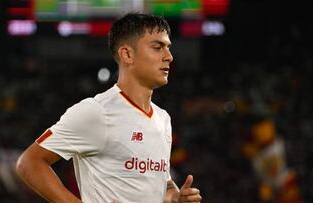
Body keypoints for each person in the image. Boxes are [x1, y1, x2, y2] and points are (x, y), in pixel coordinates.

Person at [16, 12, 202, 203]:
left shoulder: (163, 119)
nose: (169, 56)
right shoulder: (97, 112)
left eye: (168, 48)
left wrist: (175, 196)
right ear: (127, 54)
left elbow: (160, 180)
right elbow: (29, 163)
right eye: (157, 47)